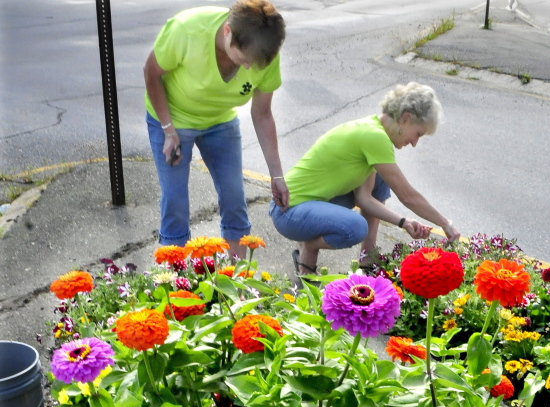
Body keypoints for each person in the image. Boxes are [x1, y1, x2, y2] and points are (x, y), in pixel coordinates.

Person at [269, 82, 461, 277]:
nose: (414, 143)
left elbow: (365, 199)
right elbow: (407, 195)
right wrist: (445, 223)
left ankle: (367, 260)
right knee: (354, 227)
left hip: (303, 205)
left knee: (381, 180)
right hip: (288, 211)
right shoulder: (374, 137)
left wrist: (404, 222)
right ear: (405, 118)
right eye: (418, 134)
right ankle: (308, 251)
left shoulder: (372, 127)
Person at [144, 0, 288, 255]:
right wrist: (168, 130)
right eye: (243, 58)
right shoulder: (186, 30)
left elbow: (263, 114)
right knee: (175, 201)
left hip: (219, 122)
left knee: (234, 196)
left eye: (252, 64)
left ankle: (240, 280)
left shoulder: (265, 55)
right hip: (173, 116)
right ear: (227, 32)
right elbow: (151, 72)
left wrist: (277, 176)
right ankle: (174, 281)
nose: (246, 68)